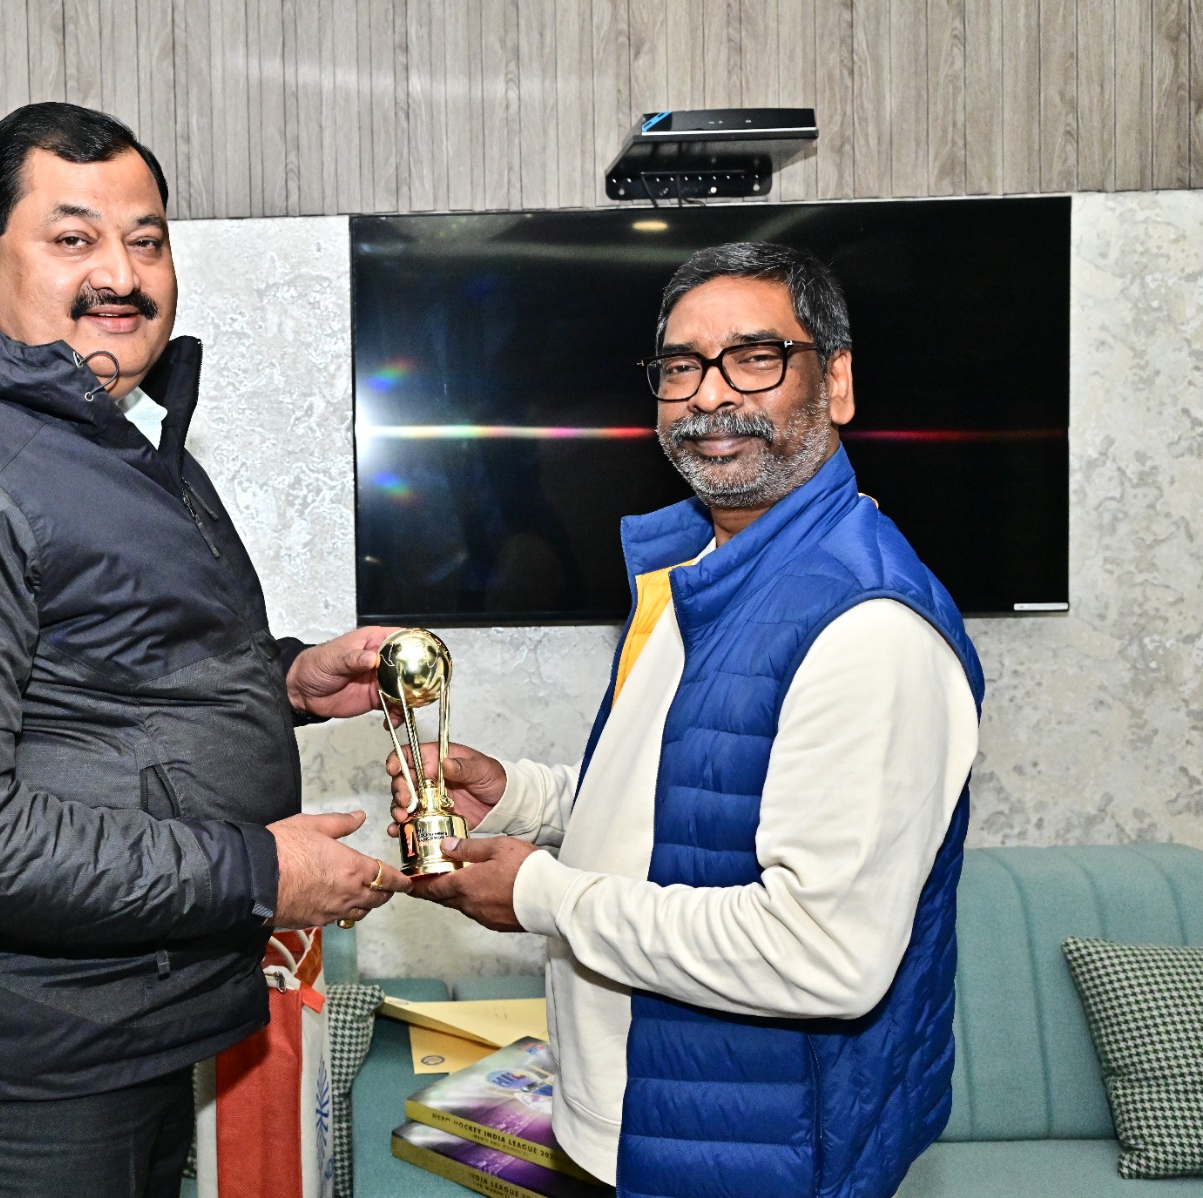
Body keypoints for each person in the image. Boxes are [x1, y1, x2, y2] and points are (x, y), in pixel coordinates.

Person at [0, 102, 408, 1198]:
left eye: (145, 240)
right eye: (72, 237)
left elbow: (110, 666)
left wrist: (287, 679)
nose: (119, 275)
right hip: (23, 1078)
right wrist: (258, 873)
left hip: (119, 1027)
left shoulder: (92, 427)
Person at [392, 242, 984, 1198]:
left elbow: (824, 957)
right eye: (681, 366)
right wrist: (523, 799)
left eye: (754, 358)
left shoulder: (868, 626)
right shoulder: (700, 570)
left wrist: (542, 895)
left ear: (835, 382)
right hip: (638, 1125)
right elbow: (689, 800)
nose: (710, 395)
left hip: (751, 1156)